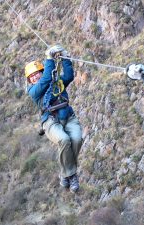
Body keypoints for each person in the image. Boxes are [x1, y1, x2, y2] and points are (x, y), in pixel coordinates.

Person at [24, 45, 83, 193]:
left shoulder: (56, 83)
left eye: (38, 73)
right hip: (50, 121)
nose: (35, 77)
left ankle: (65, 174)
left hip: (68, 116)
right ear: (30, 81)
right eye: (32, 76)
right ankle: (71, 175)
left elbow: (69, 76)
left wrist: (66, 58)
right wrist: (49, 59)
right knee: (64, 140)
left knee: (76, 139)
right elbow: (45, 81)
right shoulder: (33, 91)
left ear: (42, 72)